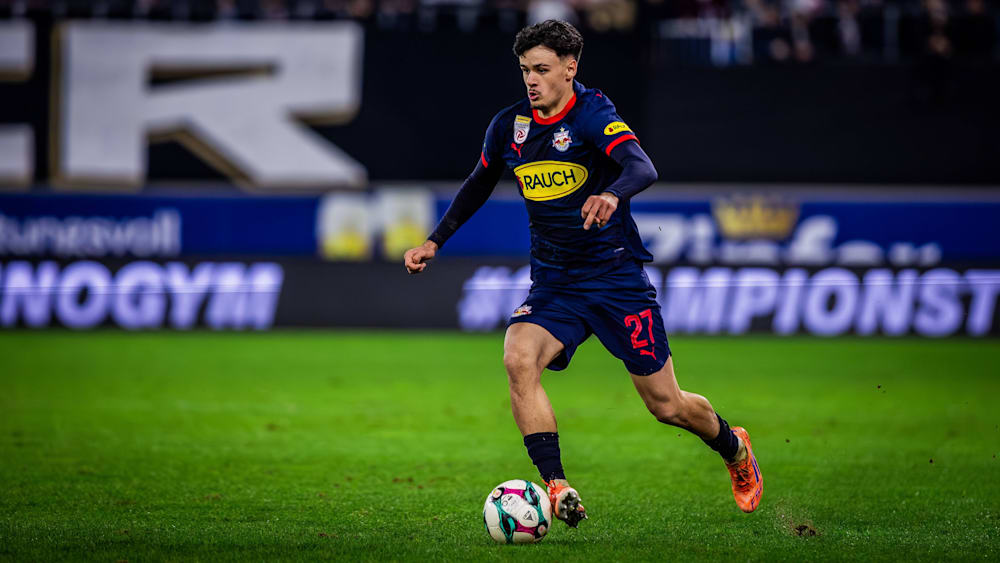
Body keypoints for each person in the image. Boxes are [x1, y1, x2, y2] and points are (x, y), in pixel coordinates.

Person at [403, 20, 762, 527]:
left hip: (616, 280)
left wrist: (612, 192)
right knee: (518, 357)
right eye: (525, 70)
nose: (531, 80)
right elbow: (478, 183)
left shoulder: (593, 115)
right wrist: (434, 241)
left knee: (667, 406)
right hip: (555, 283)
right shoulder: (509, 127)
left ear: (570, 68)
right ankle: (556, 486)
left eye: (542, 69)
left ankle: (733, 447)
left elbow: (642, 167)